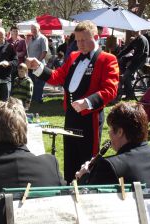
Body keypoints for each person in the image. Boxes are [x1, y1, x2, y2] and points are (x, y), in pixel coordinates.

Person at [26, 20, 119, 183]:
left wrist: (88, 102)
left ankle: (87, 189)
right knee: (69, 157)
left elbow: (110, 90)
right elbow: (57, 76)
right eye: (77, 40)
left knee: (86, 160)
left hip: (89, 117)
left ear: (96, 37)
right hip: (70, 115)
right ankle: (69, 186)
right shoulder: (74, 56)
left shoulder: (107, 59)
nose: (80, 44)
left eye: (84, 40)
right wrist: (38, 67)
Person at [75, 102, 150, 193]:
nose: (109, 133)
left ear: (120, 132)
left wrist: (84, 177)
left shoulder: (109, 166)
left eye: (110, 128)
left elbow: (89, 200)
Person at [117, 30, 149, 100]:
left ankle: (129, 95)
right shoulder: (136, 39)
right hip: (135, 60)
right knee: (124, 60)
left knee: (126, 76)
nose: (132, 32)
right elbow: (127, 49)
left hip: (140, 61)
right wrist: (117, 56)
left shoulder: (142, 39)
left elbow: (140, 53)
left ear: (138, 31)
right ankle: (128, 93)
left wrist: (131, 61)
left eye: (134, 31)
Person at [27, 23, 48, 103]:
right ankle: (33, 99)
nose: (33, 30)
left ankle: (38, 99)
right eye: (32, 29)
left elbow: (44, 52)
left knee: (39, 83)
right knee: (32, 82)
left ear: (39, 29)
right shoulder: (31, 39)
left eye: (35, 29)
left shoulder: (43, 38)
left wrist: (38, 63)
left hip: (39, 65)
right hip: (31, 66)